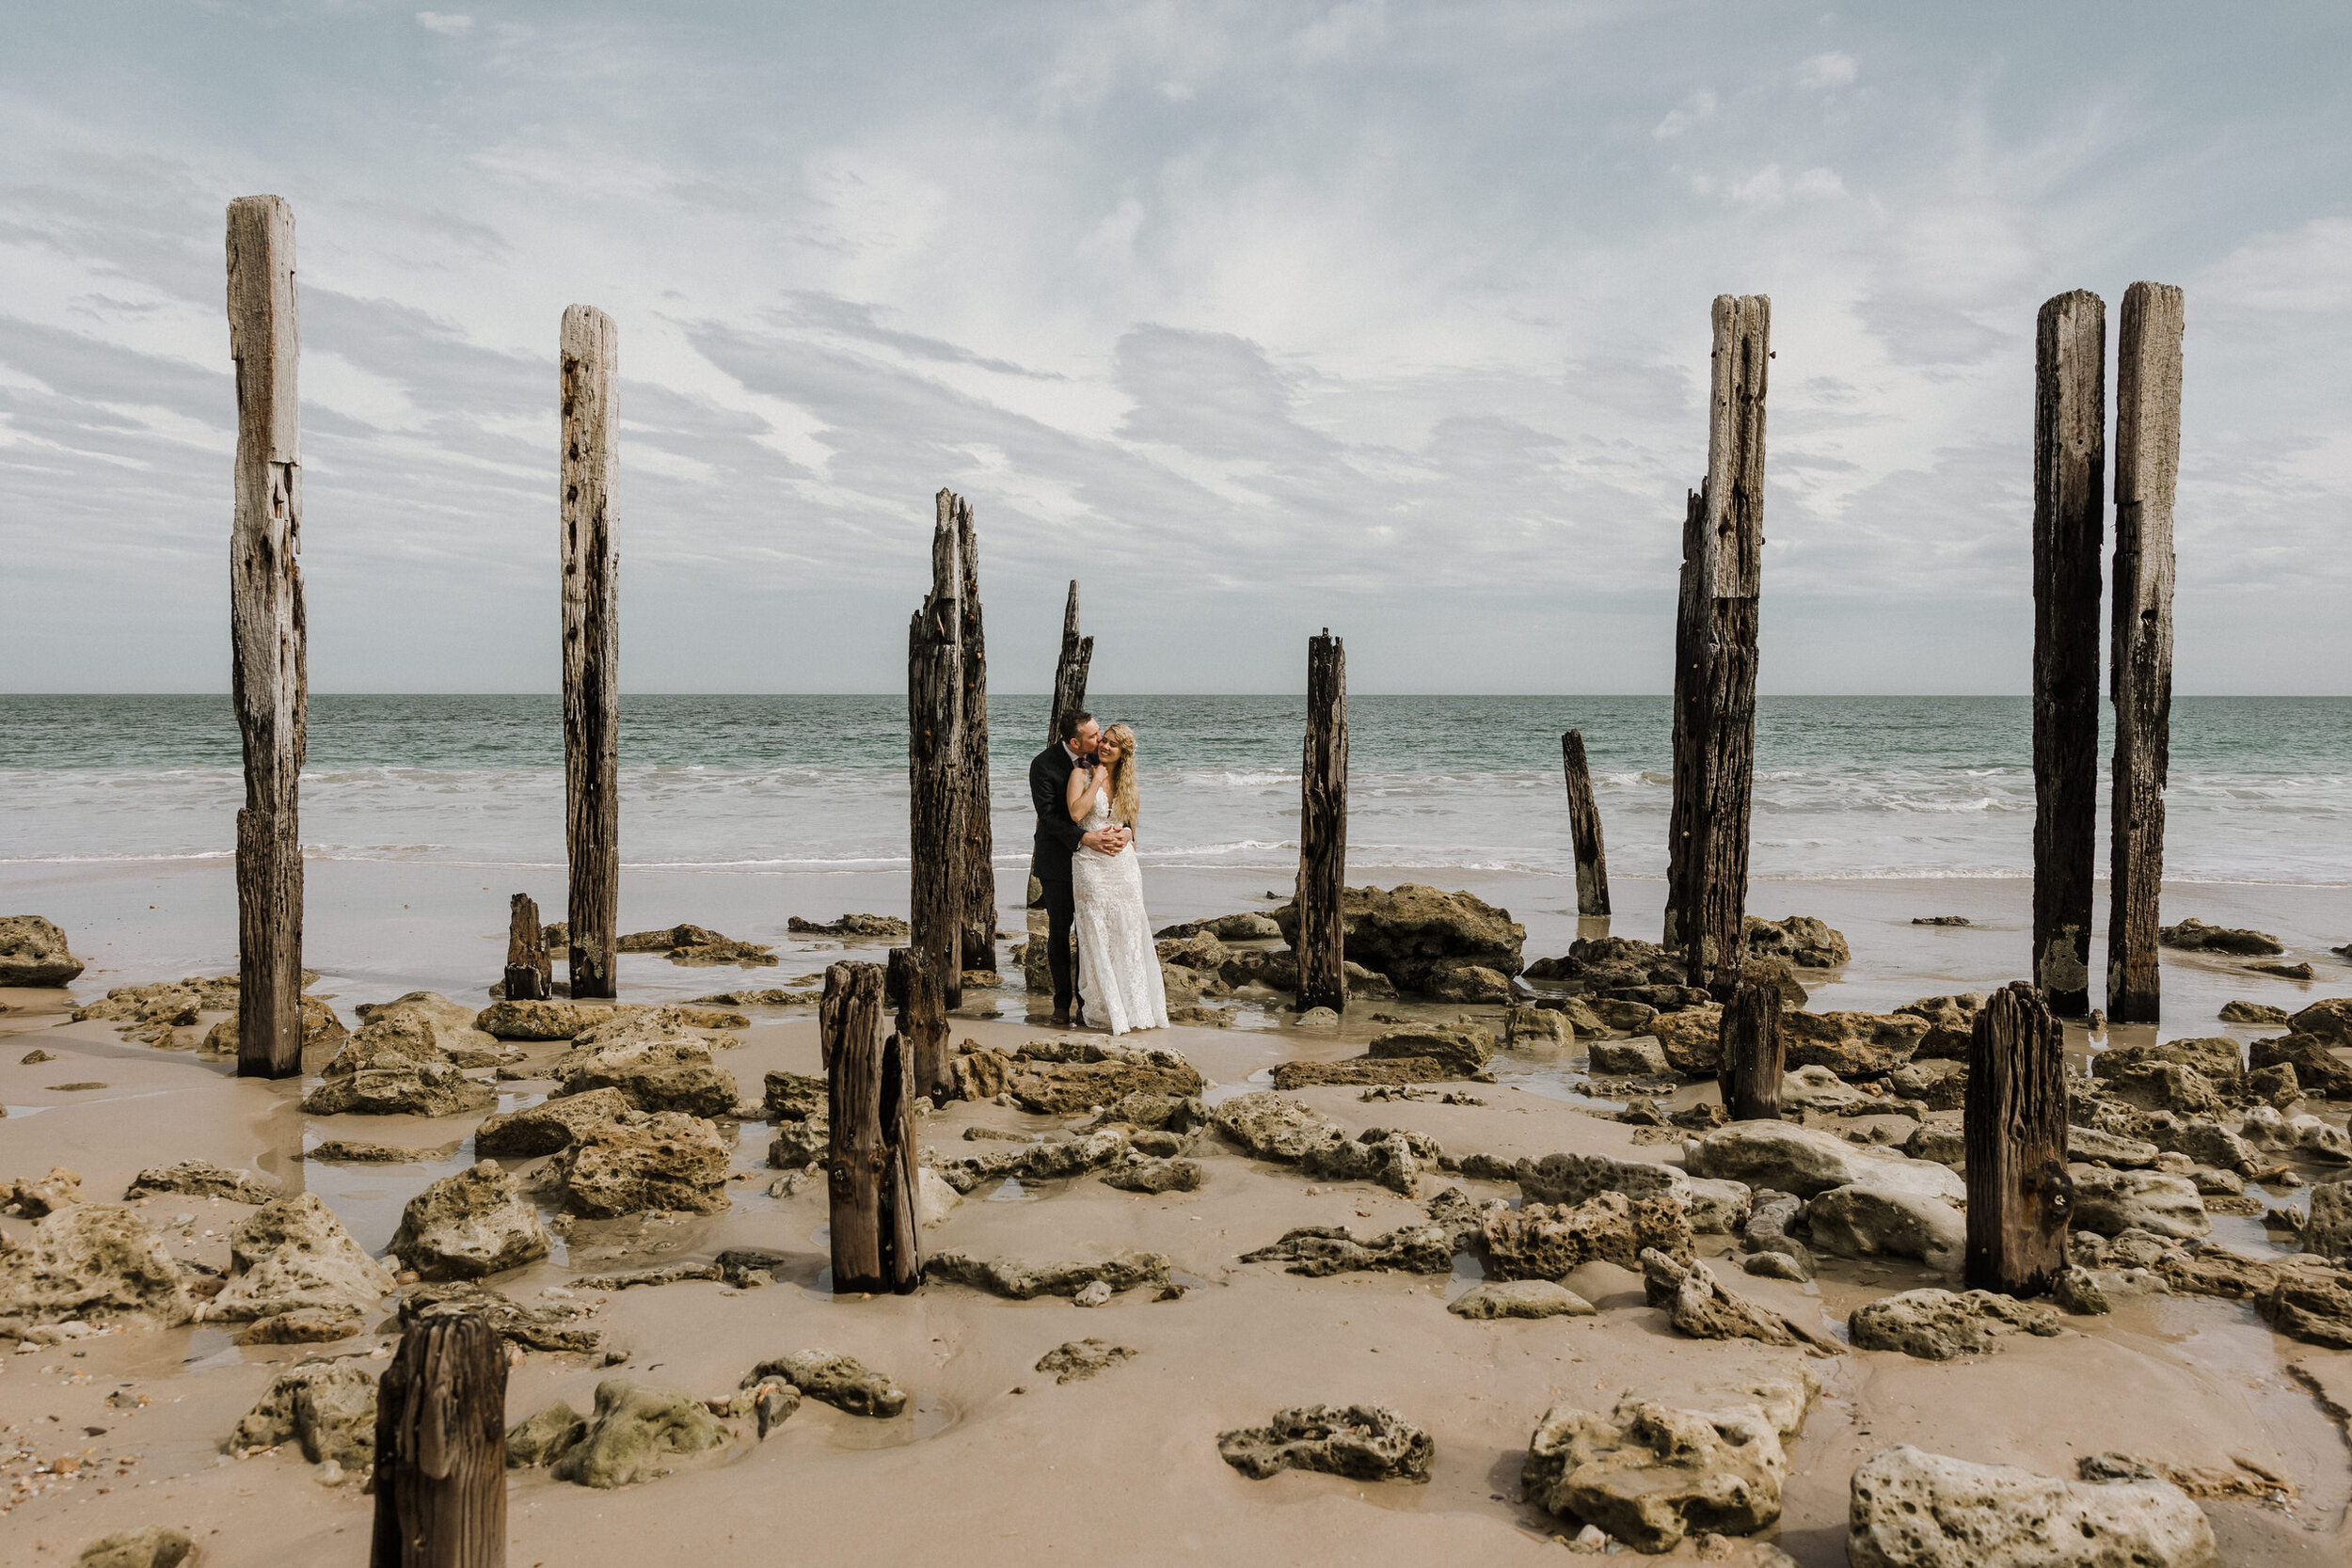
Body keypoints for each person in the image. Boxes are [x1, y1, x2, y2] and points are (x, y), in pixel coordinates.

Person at [1066, 721, 1168, 1035]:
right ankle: (1105, 1007)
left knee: (1128, 933)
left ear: (1123, 752)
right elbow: (1075, 814)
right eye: (1103, 741)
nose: (1105, 746)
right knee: (1097, 932)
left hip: (1123, 869)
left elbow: (1133, 831)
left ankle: (1135, 1006)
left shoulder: (1130, 787)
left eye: (1113, 744)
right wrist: (1096, 780)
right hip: (1091, 868)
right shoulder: (1080, 775)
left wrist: (1125, 835)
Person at [1028, 710, 1127, 1028]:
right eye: (1094, 736)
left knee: (1091, 933)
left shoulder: (1102, 762)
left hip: (1096, 866)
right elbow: (1048, 817)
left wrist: (1126, 833)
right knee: (1059, 932)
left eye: (1101, 734)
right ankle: (1061, 1003)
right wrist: (1085, 838)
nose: (1100, 740)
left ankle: (1089, 1003)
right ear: (1075, 741)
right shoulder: (1044, 765)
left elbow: (1122, 807)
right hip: (1057, 860)